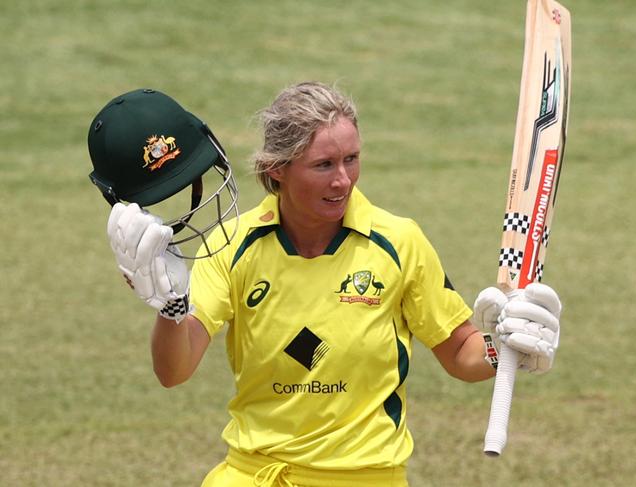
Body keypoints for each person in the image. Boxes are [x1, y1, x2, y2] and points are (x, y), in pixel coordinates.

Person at [88, 82, 561, 487]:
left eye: (351, 159)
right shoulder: (232, 245)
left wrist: (503, 347)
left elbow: (459, 352)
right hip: (256, 474)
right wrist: (170, 310)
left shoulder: (399, 242)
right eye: (323, 165)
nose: (343, 181)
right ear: (277, 169)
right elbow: (174, 371)